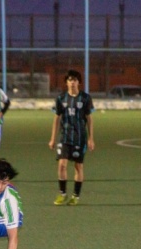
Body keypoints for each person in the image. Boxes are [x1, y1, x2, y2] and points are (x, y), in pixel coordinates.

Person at [48, 69, 95, 206]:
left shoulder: (85, 98)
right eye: (70, 80)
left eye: (75, 80)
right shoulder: (60, 98)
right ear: (66, 82)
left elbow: (89, 119)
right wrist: (52, 138)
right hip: (65, 137)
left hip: (80, 137)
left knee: (78, 167)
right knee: (62, 165)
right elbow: (57, 119)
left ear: (79, 82)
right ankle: (62, 193)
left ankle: (76, 196)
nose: (72, 82)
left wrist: (91, 138)